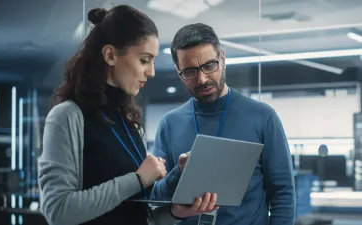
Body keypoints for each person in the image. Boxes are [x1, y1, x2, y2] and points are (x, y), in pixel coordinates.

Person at [38, 6, 218, 225]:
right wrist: (137, 179)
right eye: (144, 60)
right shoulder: (67, 116)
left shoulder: (126, 121)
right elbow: (58, 211)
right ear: (110, 55)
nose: (151, 71)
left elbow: (138, 216)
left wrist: (175, 213)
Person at [150, 23, 296, 224]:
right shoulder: (169, 124)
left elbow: (283, 193)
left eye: (209, 65)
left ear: (223, 59)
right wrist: (180, 173)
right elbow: (155, 196)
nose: (202, 79)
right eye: (190, 71)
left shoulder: (263, 117)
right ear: (179, 72)